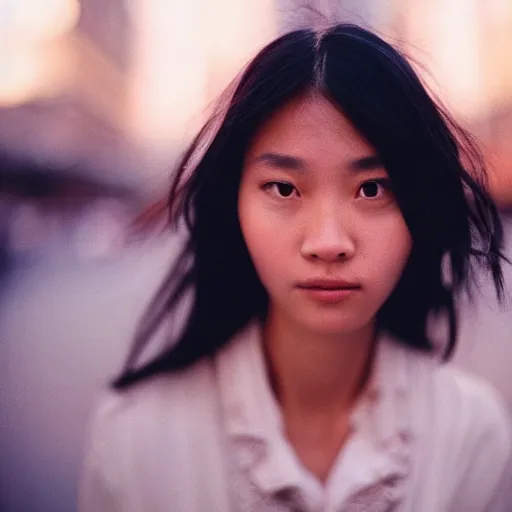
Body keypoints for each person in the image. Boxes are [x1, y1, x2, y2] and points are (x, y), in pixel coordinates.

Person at [79, 24, 512, 511]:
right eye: (284, 188)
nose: (328, 243)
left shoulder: (470, 436)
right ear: (234, 205)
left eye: (373, 188)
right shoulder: (136, 441)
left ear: (420, 207)